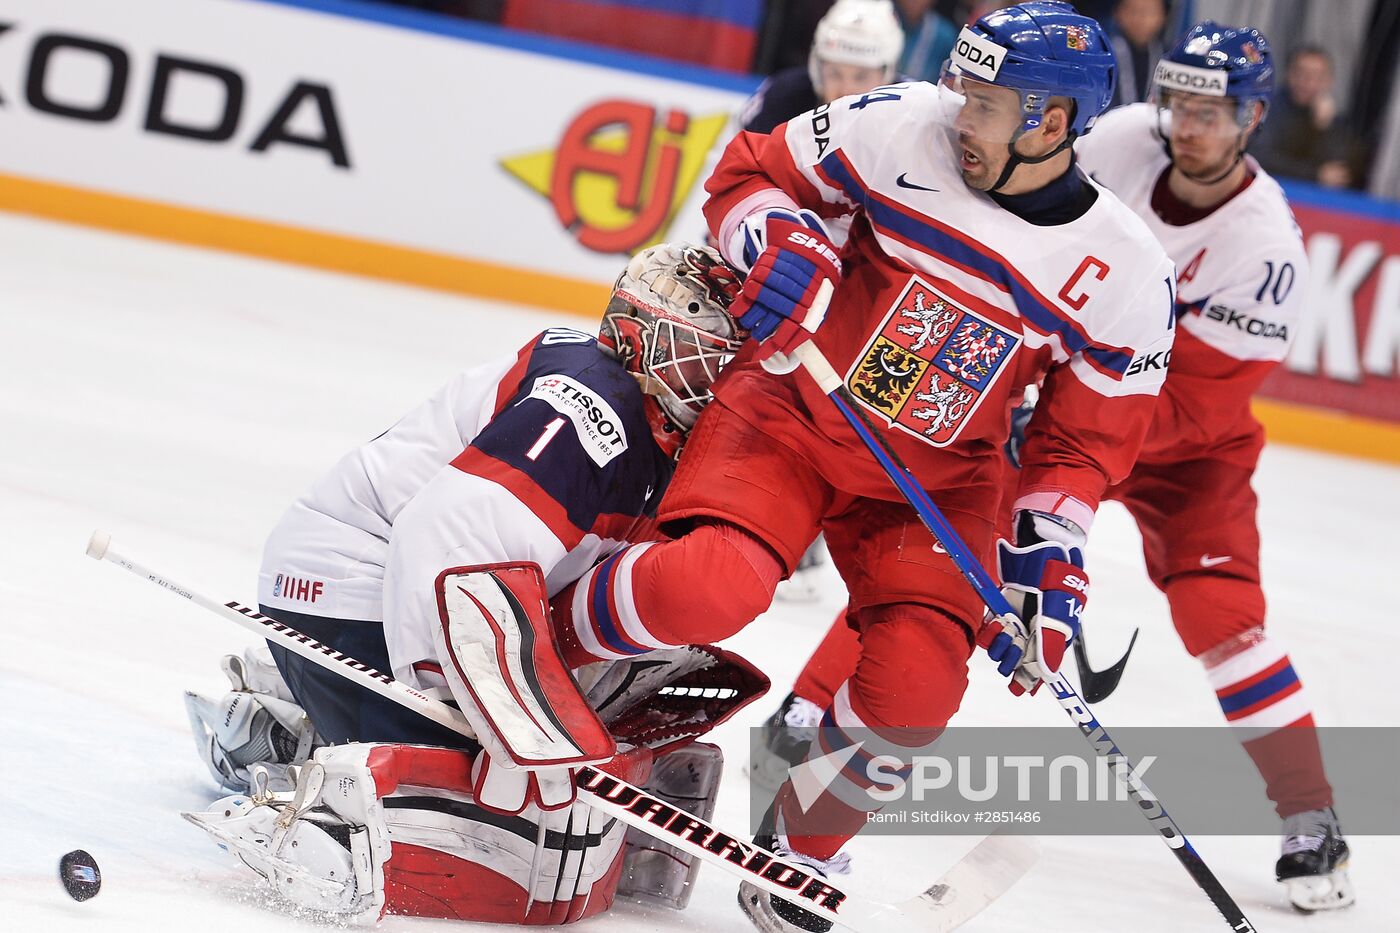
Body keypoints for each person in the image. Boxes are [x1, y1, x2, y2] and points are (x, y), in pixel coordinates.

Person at [548, 4, 1178, 931]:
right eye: (963, 88)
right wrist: (778, 238)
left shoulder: (1129, 273)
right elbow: (748, 175)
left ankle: (801, 842)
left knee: (916, 692)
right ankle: (540, 651)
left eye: (990, 103)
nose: (961, 113)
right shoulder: (900, 123)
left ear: (1051, 121)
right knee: (708, 586)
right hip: (794, 412)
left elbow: (1080, 444)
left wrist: (1052, 551)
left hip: (942, 481)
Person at [760, 20, 1355, 914]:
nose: (1188, 125)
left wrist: (1052, 459)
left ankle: (1311, 815)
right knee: (938, 555)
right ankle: (811, 709)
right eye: (1179, 102)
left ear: (1255, 117)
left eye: (1212, 111)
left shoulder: (1265, 248)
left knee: (1224, 617)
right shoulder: (1115, 139)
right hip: (1054, 418)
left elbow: (1199, 405)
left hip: (1180, 452)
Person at [182, 243, 771, 924]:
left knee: (539, 783)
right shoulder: (592, 403)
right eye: (712, 354)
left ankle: (297, 707)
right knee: (486, 821)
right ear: (648, 334)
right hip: (350, 588)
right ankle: (282, 747)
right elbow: (449, 541)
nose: (726, 380)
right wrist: (485, 718)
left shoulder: (658, 433)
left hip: (403, 597)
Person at [741, 0, 906, 136]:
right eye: (835, 74)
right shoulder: (781, 95)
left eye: (861, 77)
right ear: (818, 69)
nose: (846, 91)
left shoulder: (909, 113)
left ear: (886, 75)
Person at [1252, 44, 1355, 188]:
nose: (1308, 82)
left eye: (1317, 77)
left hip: (1313, 202)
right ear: (1289, 74)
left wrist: (1324, 128)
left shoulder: (1332, 118)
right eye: (1301, 73)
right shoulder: (1268, 107)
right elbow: (1260, 157)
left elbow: (1338, 173)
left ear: (1329, 81)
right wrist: (1314, 174)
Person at [1106, 0, 1167, 107]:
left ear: (1163, 16)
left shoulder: (1168, 57)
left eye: (1148, 12)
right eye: (1133, 11)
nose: (1140, 19)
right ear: (1117, 13)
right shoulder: (1105, 54)